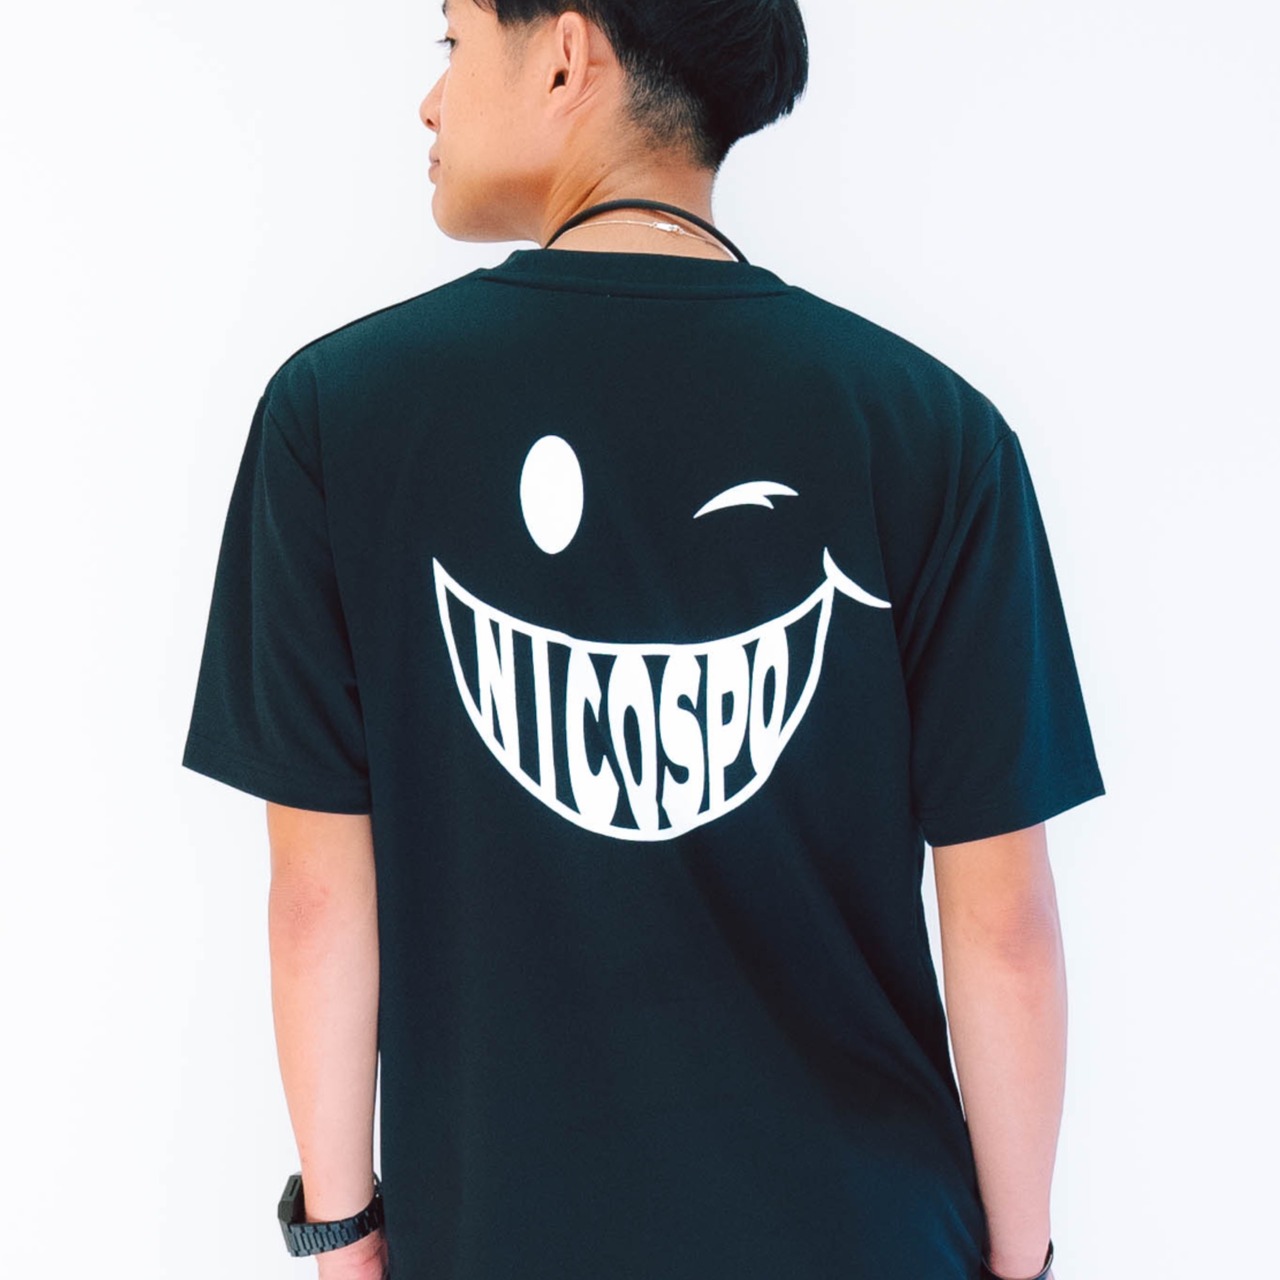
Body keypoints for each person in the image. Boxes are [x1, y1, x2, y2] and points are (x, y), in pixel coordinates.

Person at [181, 1, 1105, 1277]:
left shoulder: (333, 419)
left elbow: (317, 902)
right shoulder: (933, 434)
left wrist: (342, 1232)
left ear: (565, 54)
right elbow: (1002, 927)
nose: (430, 101)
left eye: (452, 43)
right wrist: (1017, 1262)